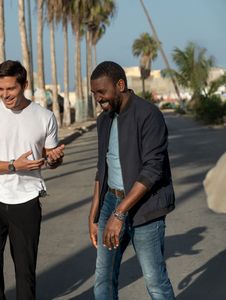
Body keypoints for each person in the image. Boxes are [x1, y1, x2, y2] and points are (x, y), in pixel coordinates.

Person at [0, 60, 65, 300]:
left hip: (27, 200)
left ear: (24, 85)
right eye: (0, 89)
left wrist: (54, 159)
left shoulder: (44, 117)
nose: (5, 95)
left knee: (25, 270)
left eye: (11, 89)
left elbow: (51, 157)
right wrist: (15, 165)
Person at [88, 61, 175, 300]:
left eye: (102, 92)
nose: (98, 98)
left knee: (155, 282)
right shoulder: (103, 120)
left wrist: (120, 213)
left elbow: (152, 170)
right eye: (94, 93)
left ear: (120, 85)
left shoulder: (148, 115)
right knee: (103, 279)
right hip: (110, 202)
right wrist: (94, 215)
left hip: (145, 207)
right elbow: (101, 168)